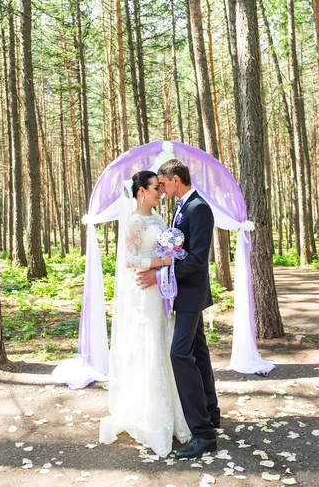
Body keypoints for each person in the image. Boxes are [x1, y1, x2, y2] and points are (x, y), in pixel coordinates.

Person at [99, 170, 189, 458]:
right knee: (150, 347)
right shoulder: (136, 221)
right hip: (145, 291)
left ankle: (174, 416)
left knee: (165, 344)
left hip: (159, 290)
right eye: (155, 188)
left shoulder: (157, 218)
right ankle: (152, 418)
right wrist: (162, 261)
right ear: (141, 192)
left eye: (161, 188)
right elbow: (130, 259)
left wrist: (171, 257)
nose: (160, 192)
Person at [136, 159, 220, 459]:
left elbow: (197, 258)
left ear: (175, 179)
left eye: (163, 182)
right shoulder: (182, 206)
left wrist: (159, 274)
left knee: (179, 354)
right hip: (184, 293)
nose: (161, 187)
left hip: (192, 294)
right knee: (198, 352)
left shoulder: (199, 208)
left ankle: (203, 433)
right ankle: (211, 412)